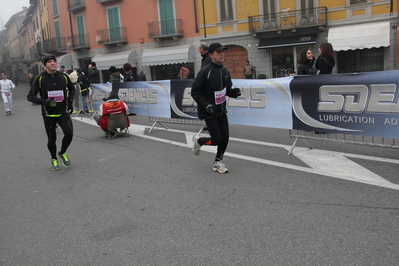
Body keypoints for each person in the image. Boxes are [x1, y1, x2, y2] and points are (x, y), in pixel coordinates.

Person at [191, 43, 241, 174]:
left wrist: (233, 92)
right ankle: (200, 141)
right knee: (217, 139)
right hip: (209, 111)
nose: (222, 54)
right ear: (211, 55)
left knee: (225, 138)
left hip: (221, 110)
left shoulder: (224, 71)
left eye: (222, 52)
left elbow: (226, 90)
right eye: (218, 52)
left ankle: (217, 162)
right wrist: (206, 105)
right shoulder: (205, 71)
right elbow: (195, 92)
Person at [27, 55, 75, 171]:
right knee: (51, 138)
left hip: (63, 111)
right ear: (45, 65)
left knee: (69, 133)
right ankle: (54, 159)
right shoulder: (40, 78)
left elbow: (72, 88)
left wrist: (70, 102)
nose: (53, 63)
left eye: (54, 61)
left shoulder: (63, 76)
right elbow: (30, 96)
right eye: (50, 62)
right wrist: (44, 101)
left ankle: (62, 152)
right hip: (49, 114)